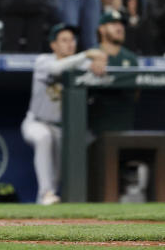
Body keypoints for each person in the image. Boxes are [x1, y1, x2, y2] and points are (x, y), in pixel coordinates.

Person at [22, 24, 107, 205]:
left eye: (72, 40)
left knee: (56, 177)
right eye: (64, 40)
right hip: (37, 122)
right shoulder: (43, 61)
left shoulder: (81, 65)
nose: (70, 44)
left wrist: (99, 62)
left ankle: (44, 202)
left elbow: (100, 68)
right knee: (43, 137)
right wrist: (86, 54)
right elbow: (57, 69)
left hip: (62, 129)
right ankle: (45, 194)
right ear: (53, 45)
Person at [88, 10, 140, 134]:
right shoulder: (90, 55)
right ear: (101, 29)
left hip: (125, 127)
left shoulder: (131, 58)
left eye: (121, 24)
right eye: (113, 24)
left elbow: (137, 94)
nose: (120, 28)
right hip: (94, 129)